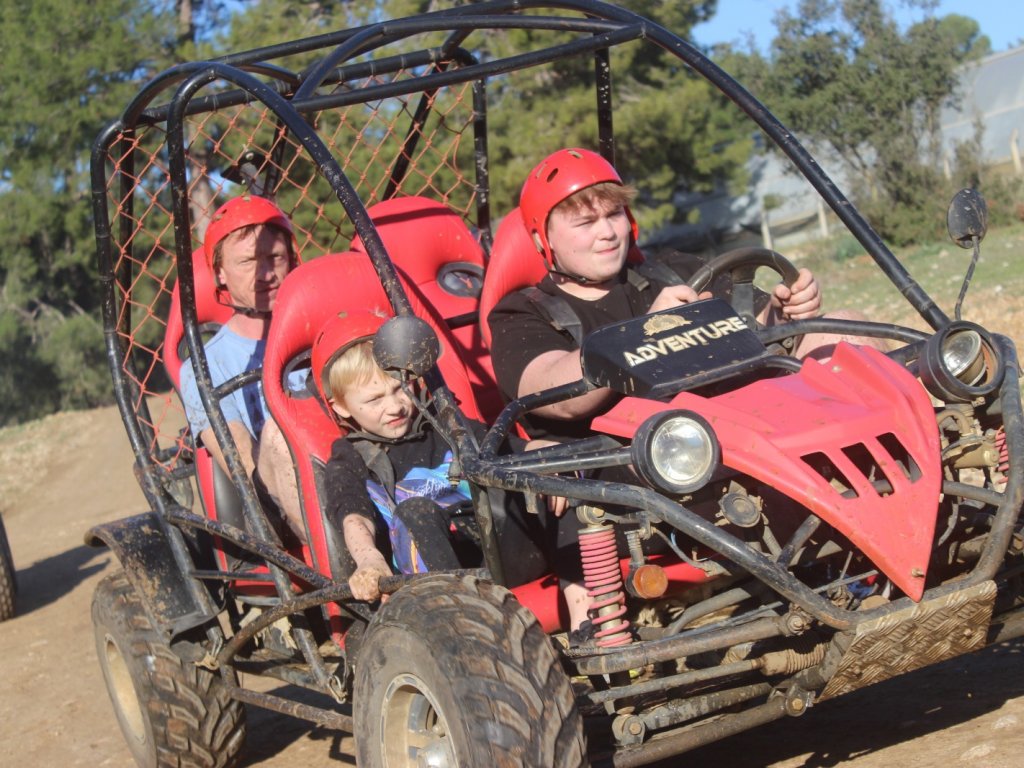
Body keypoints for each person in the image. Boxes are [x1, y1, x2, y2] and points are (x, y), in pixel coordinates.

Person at [487, 147, 863, 634]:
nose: (607, 232)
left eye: (615, 214)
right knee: (577, 482)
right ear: (544, 238)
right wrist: (642, 333)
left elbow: (756, 329)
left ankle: (905, 515)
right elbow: (553, 391)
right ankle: (603, 639)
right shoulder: (525, 314)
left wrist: (786, 314)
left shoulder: (672, 271)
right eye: (585, 223)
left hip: (741, 447)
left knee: (846, 337)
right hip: (626, 482)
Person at [312, 310, 561, 603]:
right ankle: (457, 618)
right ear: (340, 406)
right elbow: (353, 515)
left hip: (498, 555)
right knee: (414, 511)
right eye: (374, 400)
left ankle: (593, 604)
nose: (394, 407)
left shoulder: (444, 425)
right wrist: (369, 561)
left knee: (558, 469)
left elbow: (507, 449)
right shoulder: (350, 457)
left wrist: (545, 456)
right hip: (428, 581)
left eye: (400, 389)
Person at [177, 194, 305, 540]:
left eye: (275, 257)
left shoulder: (320, 326)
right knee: (277, 436)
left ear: (291, 259)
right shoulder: (205, 368)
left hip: (356, 472)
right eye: (247, 262)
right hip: (288, 498)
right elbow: (247, 471)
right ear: (219, 272)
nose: (265, 273)